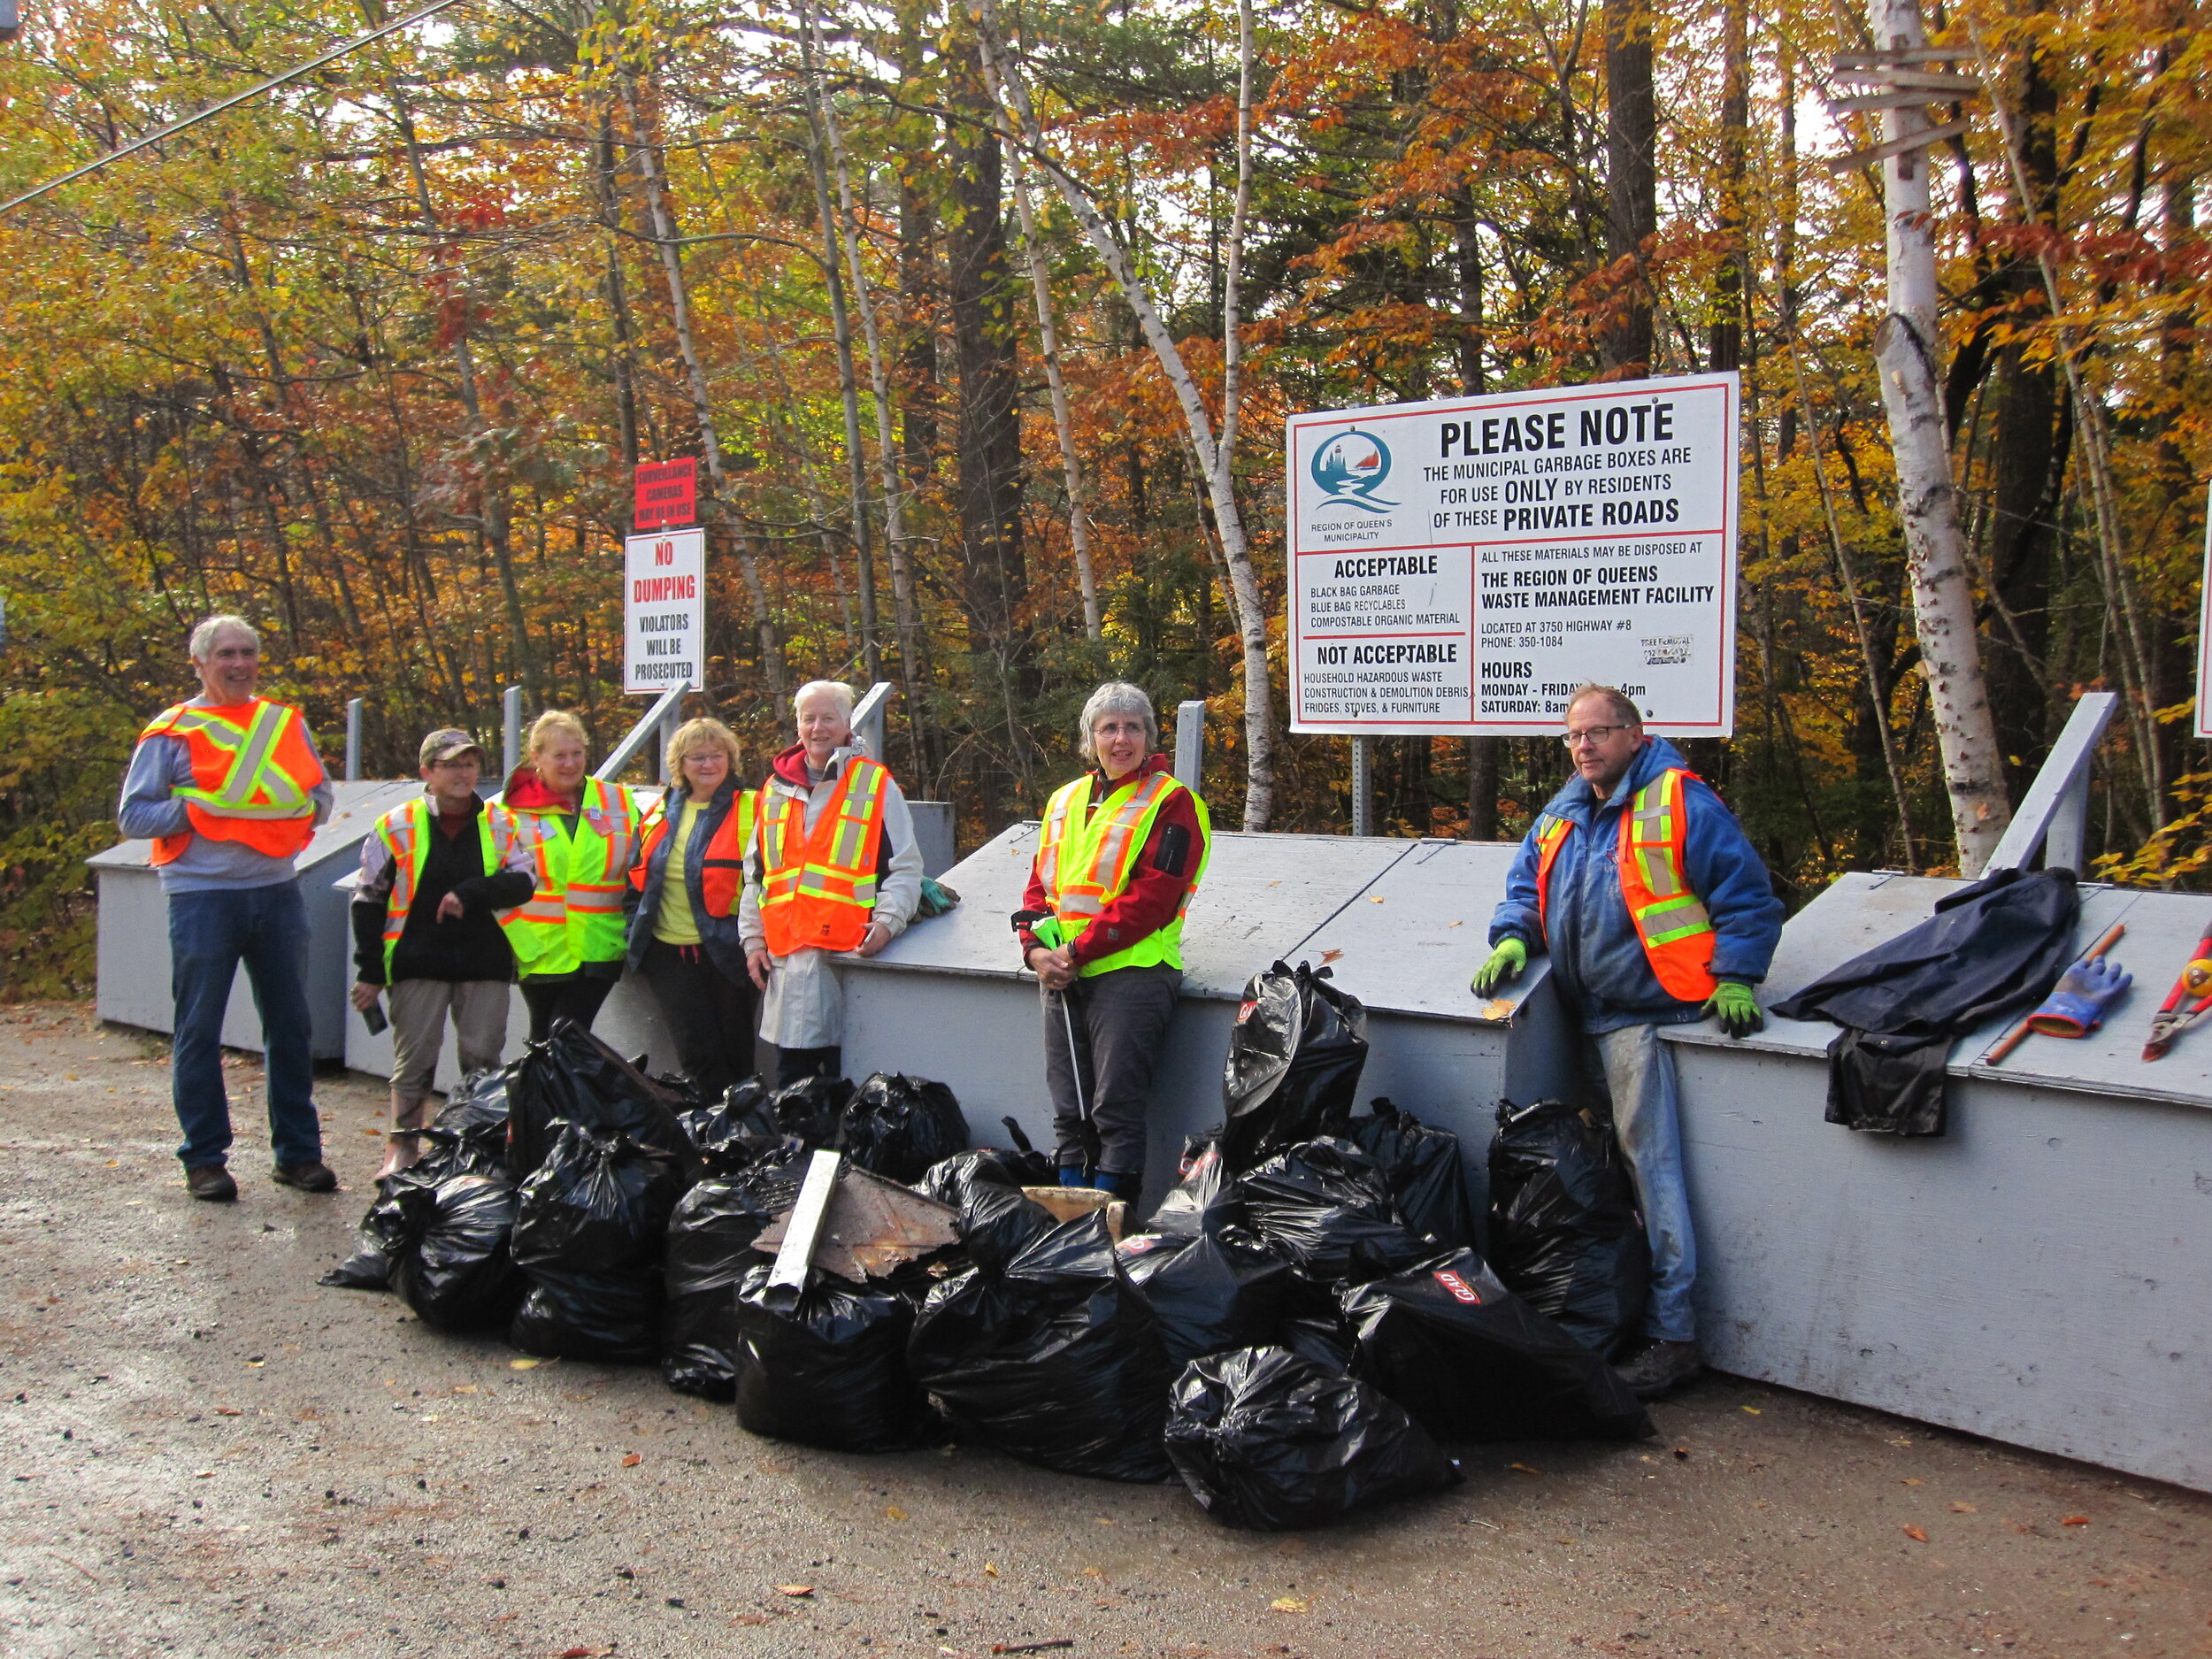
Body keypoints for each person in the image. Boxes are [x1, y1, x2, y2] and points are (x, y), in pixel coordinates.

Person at [1475, 684, 1784, 1398]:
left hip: (1648, 1017)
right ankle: (1609, 1319)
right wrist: (1514, 938)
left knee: (1654, 1173)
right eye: (1574, 736)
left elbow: (1747, 896)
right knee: (1605, 1178)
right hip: (1581, 1015)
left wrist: (1737, 975)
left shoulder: (1679, 800)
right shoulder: (1564, 811)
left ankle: (1673, 1333)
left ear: (1635, 735)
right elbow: (1524, 887)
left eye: (1599, 733)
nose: (1584, 746)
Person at [118, 615, 336, 1202]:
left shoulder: (283, 722)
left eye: (247, 653)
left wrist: (265, 810)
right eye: (226, 655)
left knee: (291, 1025)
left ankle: (298, 1154)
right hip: (201, 895)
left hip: (277, 889)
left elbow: (319, 798)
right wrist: (208, 810)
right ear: (200, 663)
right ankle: (205, 1158)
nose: (239, 664)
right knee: (199, 1028)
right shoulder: (170, 730)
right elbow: (134, 816)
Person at [1013, 682, 1210, 1200]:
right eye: (1109, 728)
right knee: (1068, 1110)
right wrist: (1033, 950)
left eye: (1133, 728)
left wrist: (1076, 953)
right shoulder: (1065, 800)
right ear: (1090, 739)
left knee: (1114, 1111)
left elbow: (1154, 899)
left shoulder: (1173, 803)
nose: (1121, 739)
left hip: (1132, 975)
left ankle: (1112, 1229)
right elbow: (1039, 887)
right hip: (1059, 974)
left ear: (1149, 737)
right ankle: (1069, 1221)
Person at [349, 729, 538, 1177]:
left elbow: (523, 882)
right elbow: (368, 901)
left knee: (482, 1059)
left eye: (469, 764)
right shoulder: (396, 825)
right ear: (427, 773)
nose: (462, 773)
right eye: (451, 765)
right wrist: (370, 972)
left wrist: (470, 892)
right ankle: (402, 1147)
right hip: (418, 962)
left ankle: (480, 1151)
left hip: (484, 961)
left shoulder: (500, 823)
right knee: (415, 1060)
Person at [740, 680, 925, 1086]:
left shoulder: (875, 784)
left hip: (849, 962)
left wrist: (887, 923)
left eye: (828, 718)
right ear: (797, 725)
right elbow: (756, 877)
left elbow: (906, 868)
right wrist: (752, 942)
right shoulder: (773, 790)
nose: (817, 727)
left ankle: (836, 1152)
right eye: (809, 718)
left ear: (847, 724)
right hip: (787, 965)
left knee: (851, 1082)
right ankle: (798, 1152)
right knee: (792, 1084)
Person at [626, 718, 761, 1103]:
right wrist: (632, 932)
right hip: (666, 951)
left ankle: (743, 1135)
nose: (708, 764)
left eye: (717, 755)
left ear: (730, 759)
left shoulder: (753, 806)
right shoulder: (658, 810)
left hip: (730, 950)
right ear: (680, 764)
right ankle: (711, 1133)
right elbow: (635, 879)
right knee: (696, 1051)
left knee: (736, 1050)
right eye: (697, 757)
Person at [499, 710, 644, 1041]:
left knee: (567, 1035)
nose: (570, 764)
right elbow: (496, 881)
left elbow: (644, 861)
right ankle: (540, 1094)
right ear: (536, 758)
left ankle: (548, 1094)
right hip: (539, 949)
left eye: (576, 753)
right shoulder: (509, 813)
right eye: (559, 756)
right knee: (545, 1038)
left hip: (600, 946)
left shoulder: (617, 800)